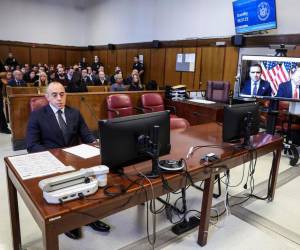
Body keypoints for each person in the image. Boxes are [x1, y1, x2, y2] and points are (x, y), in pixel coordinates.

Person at [26, 82, 110, 239]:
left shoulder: (75, 113)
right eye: (54, 95)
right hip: (51, 161)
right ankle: (68, 222)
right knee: (65, 191)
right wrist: (56, 155)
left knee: (90, 183)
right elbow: (31, 145)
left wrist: (95, 144)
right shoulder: (37, 116)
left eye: (62, 94)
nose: (59, 98)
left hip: (76, 160)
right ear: (47, 97)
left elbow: (87, 136)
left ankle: (89, 217)